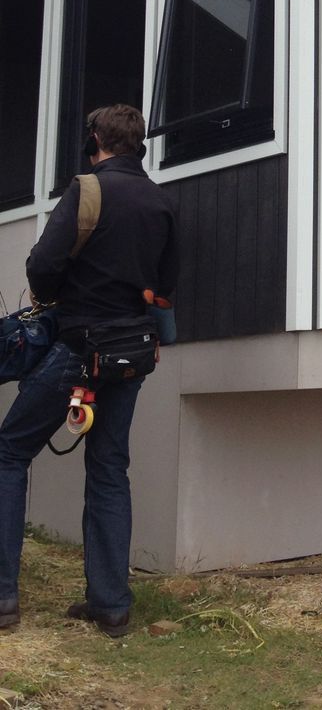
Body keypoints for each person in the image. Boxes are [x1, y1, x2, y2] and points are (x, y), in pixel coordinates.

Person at [0, 105, 177, 637]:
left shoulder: (88, 190)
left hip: (77, 347)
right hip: (131, 354)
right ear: (138, 143)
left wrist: (55, 300)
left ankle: (4, 598)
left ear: (95, 139)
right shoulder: (163, 202)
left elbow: (42, 266)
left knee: (9, 452)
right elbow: (165, 287)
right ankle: (111, 606)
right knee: (109, 468)